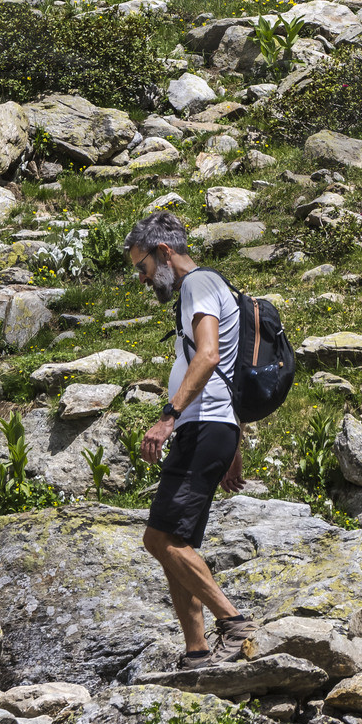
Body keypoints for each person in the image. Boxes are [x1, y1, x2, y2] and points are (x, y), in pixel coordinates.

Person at [127, 209, 246, 669]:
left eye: (142, 267)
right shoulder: (207, 287)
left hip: (201, 427)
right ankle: (197, 652)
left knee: (160, 540)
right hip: (213, 427)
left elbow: (211, 355)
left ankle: (234, 623)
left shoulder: (197, 284)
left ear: (163, 252)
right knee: (175, 543)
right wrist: (233, 441)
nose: (142, 278)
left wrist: (167, 417)